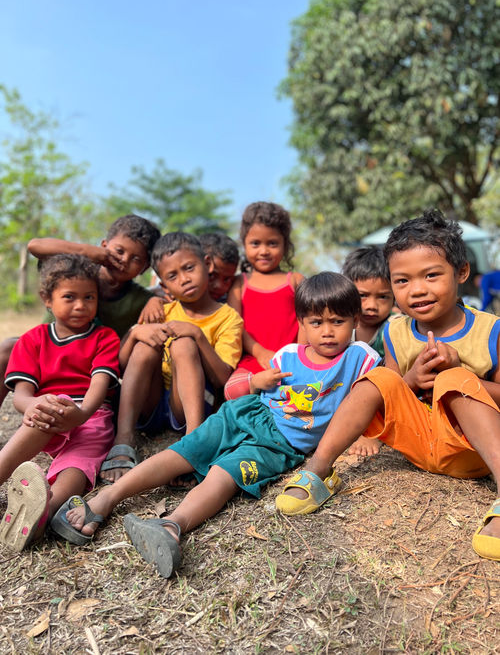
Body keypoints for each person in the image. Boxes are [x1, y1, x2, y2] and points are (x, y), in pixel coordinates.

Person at [52, 272, 380, 577]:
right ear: (302, 323)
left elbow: (379, 391)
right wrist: (255, 381)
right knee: (184, 449)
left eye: (338, 321)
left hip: (278, 445)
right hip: (243, 415)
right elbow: (233, 390)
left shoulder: (360, 357)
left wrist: (369, 434)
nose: (327, 331)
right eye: (317, 322)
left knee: (226, 474)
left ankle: (172, 526)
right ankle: (107, 499)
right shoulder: (287, 355)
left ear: (354, 321)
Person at [275, 210, 500, 562]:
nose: (417, 290)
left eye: (431, 275)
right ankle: (318, 470)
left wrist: (461, 375)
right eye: (402, 280)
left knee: (455, 379)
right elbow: (392, 392)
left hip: (469, 450)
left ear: (461, 272)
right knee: (378, 376)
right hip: (418, 447)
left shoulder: (489, 330)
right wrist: (411, 380)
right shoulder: (395, 330)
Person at [99, 232, 243, 484]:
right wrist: (134, 334)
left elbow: (222, 379)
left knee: (184, 344)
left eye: (189, 268)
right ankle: (123, 438)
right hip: (150, 404)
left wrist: (197, 336)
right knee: (144, 344)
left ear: (207, 264)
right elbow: (121, 368)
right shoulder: (160, 311)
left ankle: (194, 440)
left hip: (187, 405)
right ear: (164, 286)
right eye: (173, 276)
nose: (185, 279)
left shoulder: (228, 317)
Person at [0, 254, 120, 551]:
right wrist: (36, 406)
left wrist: (79, 415)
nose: (80, 305)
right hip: (48, 415)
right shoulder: (33, 339)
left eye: (89, 297)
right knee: (49, 407)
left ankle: (43, 512)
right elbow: (22, 396)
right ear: (47, 299)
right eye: (70, 297)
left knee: (78, 469)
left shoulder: (104, 338)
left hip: (90, 418)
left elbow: (99, 386)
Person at [0, 214, 160, 411]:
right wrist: (88, 252)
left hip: (91, 373)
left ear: (145, 268)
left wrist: (156, 298)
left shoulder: (140, 299)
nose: (124, 260)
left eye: (136, 259)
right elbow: (35, 246)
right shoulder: (75, 273)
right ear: (104, 245)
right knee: (8, 347)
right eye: (119, 250)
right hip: (48, 358)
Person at [224, 202, 304, 399]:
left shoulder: (295, 281)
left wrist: (300, 357)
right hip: (253, 361)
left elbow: (307, 322)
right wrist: (260, 352)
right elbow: (235, 325)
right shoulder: (239, 283)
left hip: (291, 362)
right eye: (255, 243)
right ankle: (259, 387)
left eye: (272, 243)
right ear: (244, 244)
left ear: (285, 245)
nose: (264, 251)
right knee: (232, 391)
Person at [342, 246, 395, 456]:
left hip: (379, 401)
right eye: (363, 296)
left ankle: (374, 433)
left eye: (383, 297)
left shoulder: (393, 327)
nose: (371, 305)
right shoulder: (340, 326)